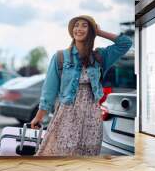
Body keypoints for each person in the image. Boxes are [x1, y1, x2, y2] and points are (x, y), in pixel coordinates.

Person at [30, 15, 132, 156]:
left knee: (87, 154)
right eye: (76, 25)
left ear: (91, 30)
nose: (79, 28)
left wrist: (100, 32)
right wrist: (39, 116)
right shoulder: (60, 57)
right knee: (61, 153)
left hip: (92, 116)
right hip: (67, 113)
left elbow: (125, 43)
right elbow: (49, 90)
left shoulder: (100, 56)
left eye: (85, 25)